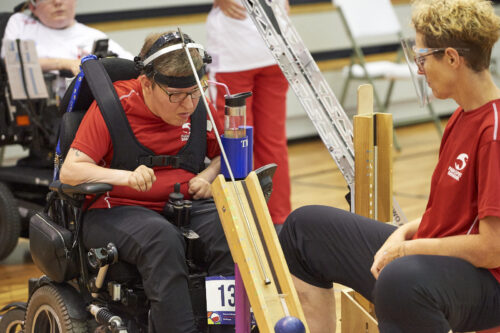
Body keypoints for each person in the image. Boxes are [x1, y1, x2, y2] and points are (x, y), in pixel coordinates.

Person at [278, 0, 500, 332]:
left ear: (452, 58)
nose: (419, 70)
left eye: (422, 58)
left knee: (402, 281)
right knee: (304, 230)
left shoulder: (494, 131)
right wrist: (403, 232)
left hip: (486, 284)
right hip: (439, 259)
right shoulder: (460, 117)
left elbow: (492, 249)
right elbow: (454, 216)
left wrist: (408, 250)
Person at [59, 31, 234, 333]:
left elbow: (224, 154)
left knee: (230, 230)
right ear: (147, 84)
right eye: (175, 95)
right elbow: (71, 171)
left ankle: (224, 327)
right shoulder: (114, 106)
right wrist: (124, 176)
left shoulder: (197, 104)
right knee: (161, 240)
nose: (188, 105)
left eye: (195, 92)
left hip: (181, 203)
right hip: (115, 209)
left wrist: (207, 176)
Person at [205, 0, 291, 230]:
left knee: (235, 143)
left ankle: (242, 223)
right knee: (272, 142)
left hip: (235, 50)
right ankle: (278, 220)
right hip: (274, 44)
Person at [3, 0, 133, 95]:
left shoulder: (94, 36)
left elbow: (132, 66)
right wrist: (65, 64)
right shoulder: (20, 24)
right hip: (33, 111)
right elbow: (10, 61)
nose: (58, 2)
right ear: (32, 6)